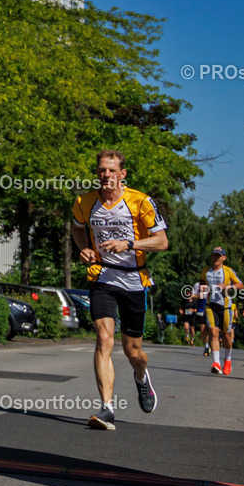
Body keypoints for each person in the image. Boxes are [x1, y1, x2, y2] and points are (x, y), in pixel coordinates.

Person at [72, 149, 168, 431]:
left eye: (112, 170)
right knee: (104, 338)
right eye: (102, 170)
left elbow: (161, 241)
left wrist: (129, 244)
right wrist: (84, 249)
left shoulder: (141, 202)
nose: (106, 175)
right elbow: (78, 229)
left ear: (122, 174)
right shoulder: (84, 202)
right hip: (102, 277)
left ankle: (141, 377)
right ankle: (107, 408)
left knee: (133, 351)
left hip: (134, 280)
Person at [200, 247, 243, 375]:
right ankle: (216, 363)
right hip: (210, 306)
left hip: (225, 307)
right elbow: (202, 282)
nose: (216, 258)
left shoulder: (228, 271)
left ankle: (228, 360)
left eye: (219, 256)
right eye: (214, 255)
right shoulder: (205, 270)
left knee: (226, 335)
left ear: (223, 258)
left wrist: (228, 286)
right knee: (213, 333)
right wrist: (203, 288)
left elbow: (240, 285)